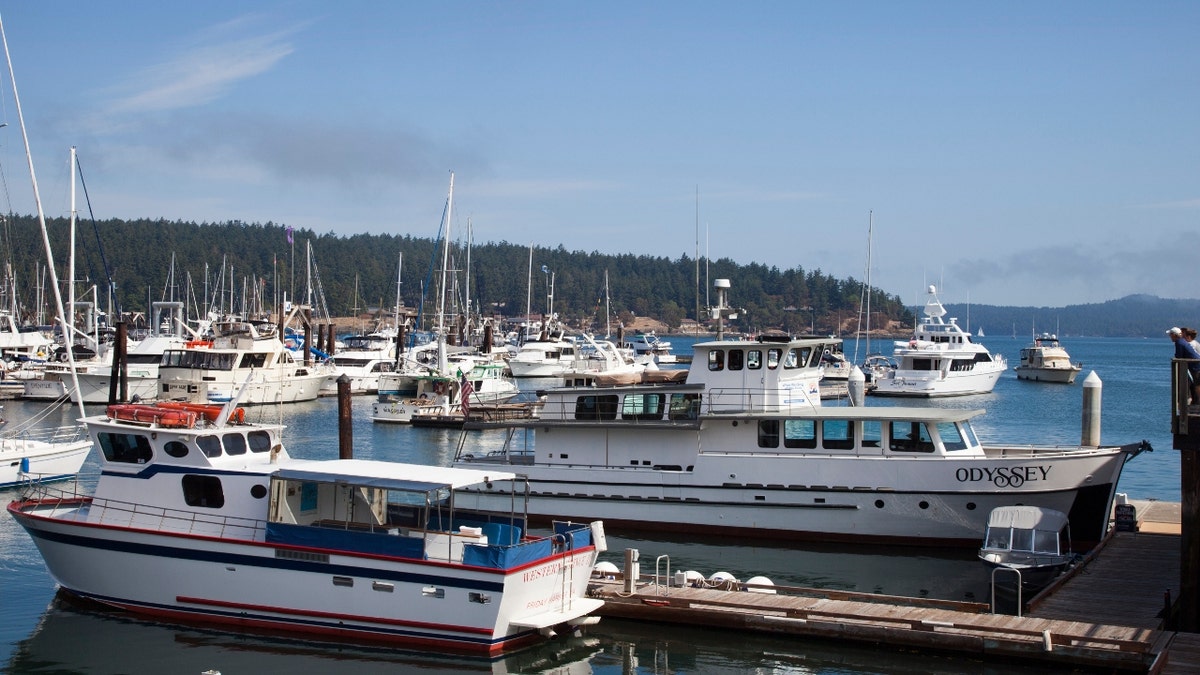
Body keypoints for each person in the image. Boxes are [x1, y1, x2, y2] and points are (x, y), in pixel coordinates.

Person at [1168, 327, 1200, 402]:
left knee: (1197, 385)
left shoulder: (1179, 342)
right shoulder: (1182, 341)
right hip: (1195, 364)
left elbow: (1179, 356)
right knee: (1196, 385)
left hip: (1196, 366)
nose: (1170, 337)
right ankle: (1194, 401)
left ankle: (1195, 402)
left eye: (1170, 335)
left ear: (1174, 335)